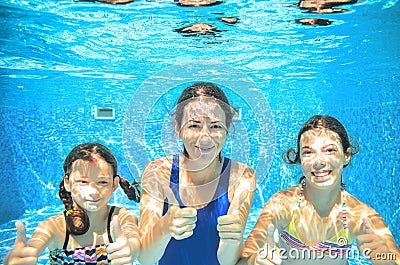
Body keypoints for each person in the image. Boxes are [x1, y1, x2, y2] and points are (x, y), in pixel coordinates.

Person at [238, 115, 400, 265]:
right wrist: (254, 261)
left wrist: (386, 259)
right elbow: (242, 261)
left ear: (346, 155)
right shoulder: (282, 204)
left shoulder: (359, 215)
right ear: (300, 159)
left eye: (330, 150)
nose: (319, 161)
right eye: (308, 152)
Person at [138, 82, 256, 265]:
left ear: (227, 130)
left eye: (216, 126)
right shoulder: (158, 172)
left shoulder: (241, 176)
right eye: (194, 125)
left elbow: (227, 262)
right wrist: (164, 226)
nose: (205, 136)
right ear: (178, 129)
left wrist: (232, 239)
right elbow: (145, 258)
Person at [3, 142, 141, 265]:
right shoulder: (54, 227)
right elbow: (33, 247)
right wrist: (16, 258)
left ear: (114, 184)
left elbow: (132, 240)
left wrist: (130, 250)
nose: (93, 191)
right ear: (67, 183)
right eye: (83, 182)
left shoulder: (122, 217)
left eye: (102, 182)